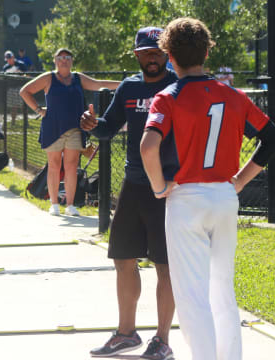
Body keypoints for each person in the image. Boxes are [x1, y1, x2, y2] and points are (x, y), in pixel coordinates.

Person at [139, 18, 275, 360]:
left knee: (192, 297)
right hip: (223, 196)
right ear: (206, 52)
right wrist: (239, 181)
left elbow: (148, 147)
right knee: (222, 291)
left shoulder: (167, 96)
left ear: (169, 56)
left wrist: (160, 188)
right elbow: (272, 138)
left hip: (186, 199)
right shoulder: (233, 95)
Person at [80, 26, 177, 359]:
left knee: (165, 265)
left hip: (169, 187)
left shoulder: (178, 86)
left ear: (166, 53)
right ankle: (126, 334)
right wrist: (94, 126)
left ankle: (162, 340)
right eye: (145, 53)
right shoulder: (129, 86)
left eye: (157, 53)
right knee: (123, 258)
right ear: (136, 55)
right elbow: (108, 127)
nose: (151, 58)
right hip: (134, 183)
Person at [20, 48, 119, 216]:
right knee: (54, 165)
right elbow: (24, 91)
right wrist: (39, 110)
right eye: (60, 57)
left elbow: (98, 84)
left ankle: (70, 205)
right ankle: (54, 204)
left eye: (67, 57)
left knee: (71, 166)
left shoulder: (78, 78)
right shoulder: (48, 78)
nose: (64, 60)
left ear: (72, 61)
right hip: (52, 128)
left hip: (74, 128)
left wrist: (123, 84)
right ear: (55, 61)